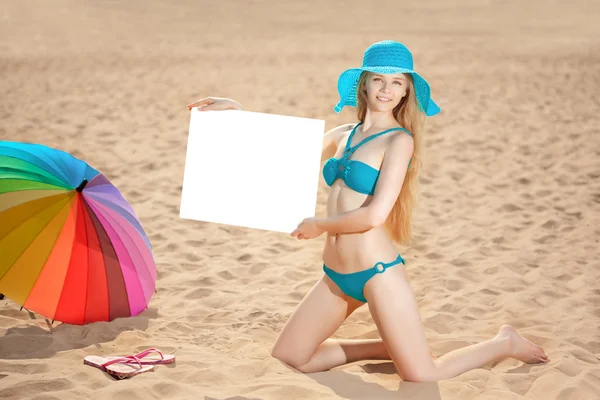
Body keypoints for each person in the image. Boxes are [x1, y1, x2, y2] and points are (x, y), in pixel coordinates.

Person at [187, 40, 549, 382]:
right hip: (336, 275)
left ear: (407, 90)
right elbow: (284, 150)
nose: (385, 89)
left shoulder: (399, 141)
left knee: (422, 375)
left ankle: (504, 342)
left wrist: (318, 224)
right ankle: (384, 346)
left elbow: (375, 215)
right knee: (291, 357)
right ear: (364, 84)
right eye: (378, 79)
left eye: (396, 82)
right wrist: (236, 111)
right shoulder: (346, 133)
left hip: (378, 274)